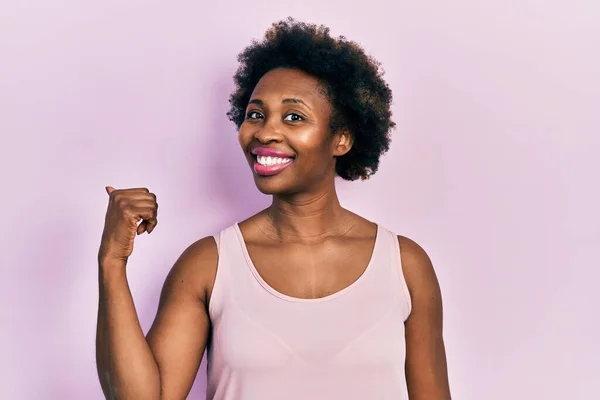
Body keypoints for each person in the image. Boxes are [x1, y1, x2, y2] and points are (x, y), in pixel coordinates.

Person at [96, 18, 451, 400]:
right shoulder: (209, 265)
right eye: (255, 114)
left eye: (294, 117)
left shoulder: (404, 265)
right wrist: (112, 262)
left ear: (342, 139)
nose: (265, 133)